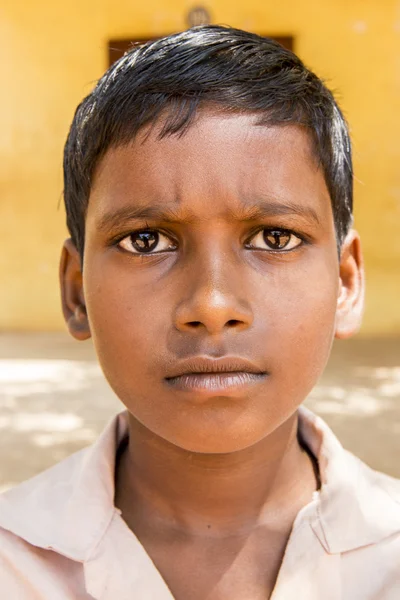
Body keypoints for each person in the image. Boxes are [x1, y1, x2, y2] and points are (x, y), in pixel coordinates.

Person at [1, 25, 399, 600]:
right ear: (76, 289)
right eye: (146, 241)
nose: (212, 306)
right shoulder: (15, 563)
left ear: (344, 281)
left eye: (275, 237)